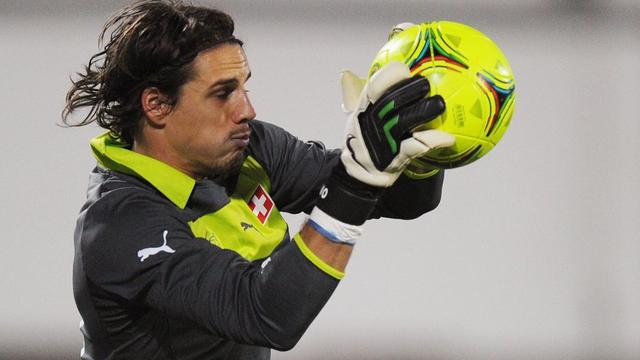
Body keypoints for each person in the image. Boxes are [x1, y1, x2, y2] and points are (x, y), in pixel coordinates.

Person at [63, 1, 454, 359]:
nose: (247, 109)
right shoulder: (119, 223)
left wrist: (418, 142)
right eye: (223, 93)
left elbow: (401, 199)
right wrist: (356, 182)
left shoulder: (250, 150)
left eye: (244, 86)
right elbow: (268, 314)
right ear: (157, 105)